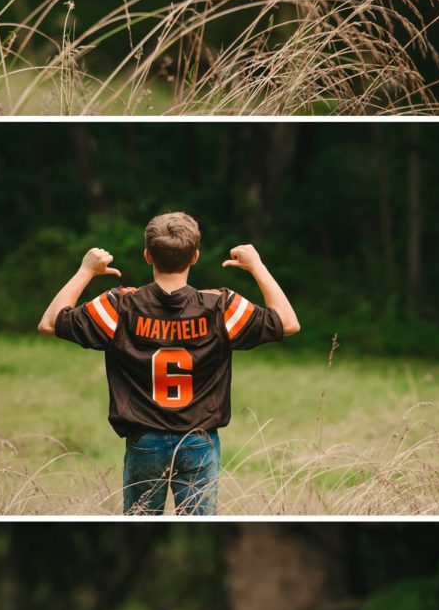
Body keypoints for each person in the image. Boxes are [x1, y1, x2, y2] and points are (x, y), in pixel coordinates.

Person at [37, 211, 299, 516]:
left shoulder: (120, 306)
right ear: (196, 257)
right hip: (200, 441)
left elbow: (50, 323)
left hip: (144, 441)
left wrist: (86, 271)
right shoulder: (220, 307)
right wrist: (257, 267)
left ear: (148, 256)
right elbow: (288, 322)